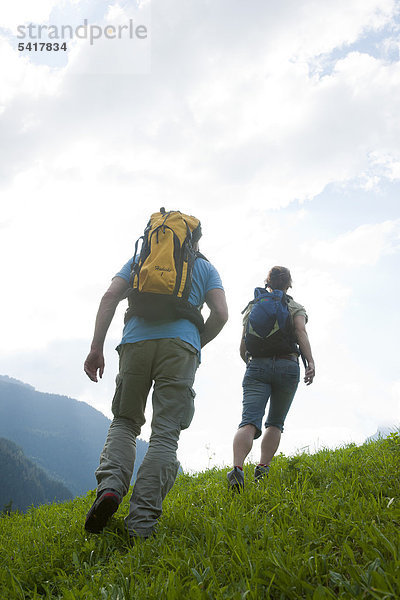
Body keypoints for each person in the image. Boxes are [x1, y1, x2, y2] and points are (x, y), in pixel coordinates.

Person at [83, 212, 228, 538]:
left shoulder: (139, 260)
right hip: (181, 349)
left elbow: (109, 297)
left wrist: (96, 348)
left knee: (125, 421)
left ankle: (110, 487)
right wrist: (195, 342)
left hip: (135, 343)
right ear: (194, 239)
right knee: (165, 436)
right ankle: (141, 524)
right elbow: (221, 313)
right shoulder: (205, 267)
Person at [227, 266, 315, 491]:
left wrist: (252, 364)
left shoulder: (254, 306)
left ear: (267, 282)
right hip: (288, 365)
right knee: (275, 422)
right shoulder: (295, 306)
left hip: (257, 365)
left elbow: (243, 343)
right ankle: (263, 469)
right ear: (289, 284)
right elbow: (300, 332)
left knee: (248, 421)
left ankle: (237, 469)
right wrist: (310, 362)